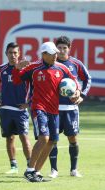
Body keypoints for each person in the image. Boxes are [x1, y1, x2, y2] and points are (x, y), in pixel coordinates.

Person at [12, 41, 81, 182]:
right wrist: (17, 68)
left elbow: (75, 81)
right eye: (52, 53)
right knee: (44, 137)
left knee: (53, 141)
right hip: (38, 107)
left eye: (56, 53)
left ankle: (36, 172)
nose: (56, 55)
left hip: (54, 110)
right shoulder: (33, 68)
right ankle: (29, 170)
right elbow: (16, 80)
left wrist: (77, 92)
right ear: (43, 55)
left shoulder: (62, 68)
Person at [48, 36, 92, 178]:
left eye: (64, 48)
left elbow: (87, 79)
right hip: (54, 109)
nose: (61, 51)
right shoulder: (51, 64)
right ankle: (54, 170)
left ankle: (74, 170)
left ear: (69, 49)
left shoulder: (75, 64)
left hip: (71, 109)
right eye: (59, 48)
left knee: (73, 138)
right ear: (55, 49)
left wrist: (82, 94)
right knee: (52, 140)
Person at [0, 42, 32, 174]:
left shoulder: (26, 69)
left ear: (19, 54)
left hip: (20, 110)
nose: (13, 55)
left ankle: (30, 165)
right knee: (9, 138)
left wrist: (28, 103)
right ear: (6, 54)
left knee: (24, 137)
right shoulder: (2, 69)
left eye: (15, 53)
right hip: (6, 109)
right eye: (10, 53)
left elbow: (35, 87)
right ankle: (13, 166)